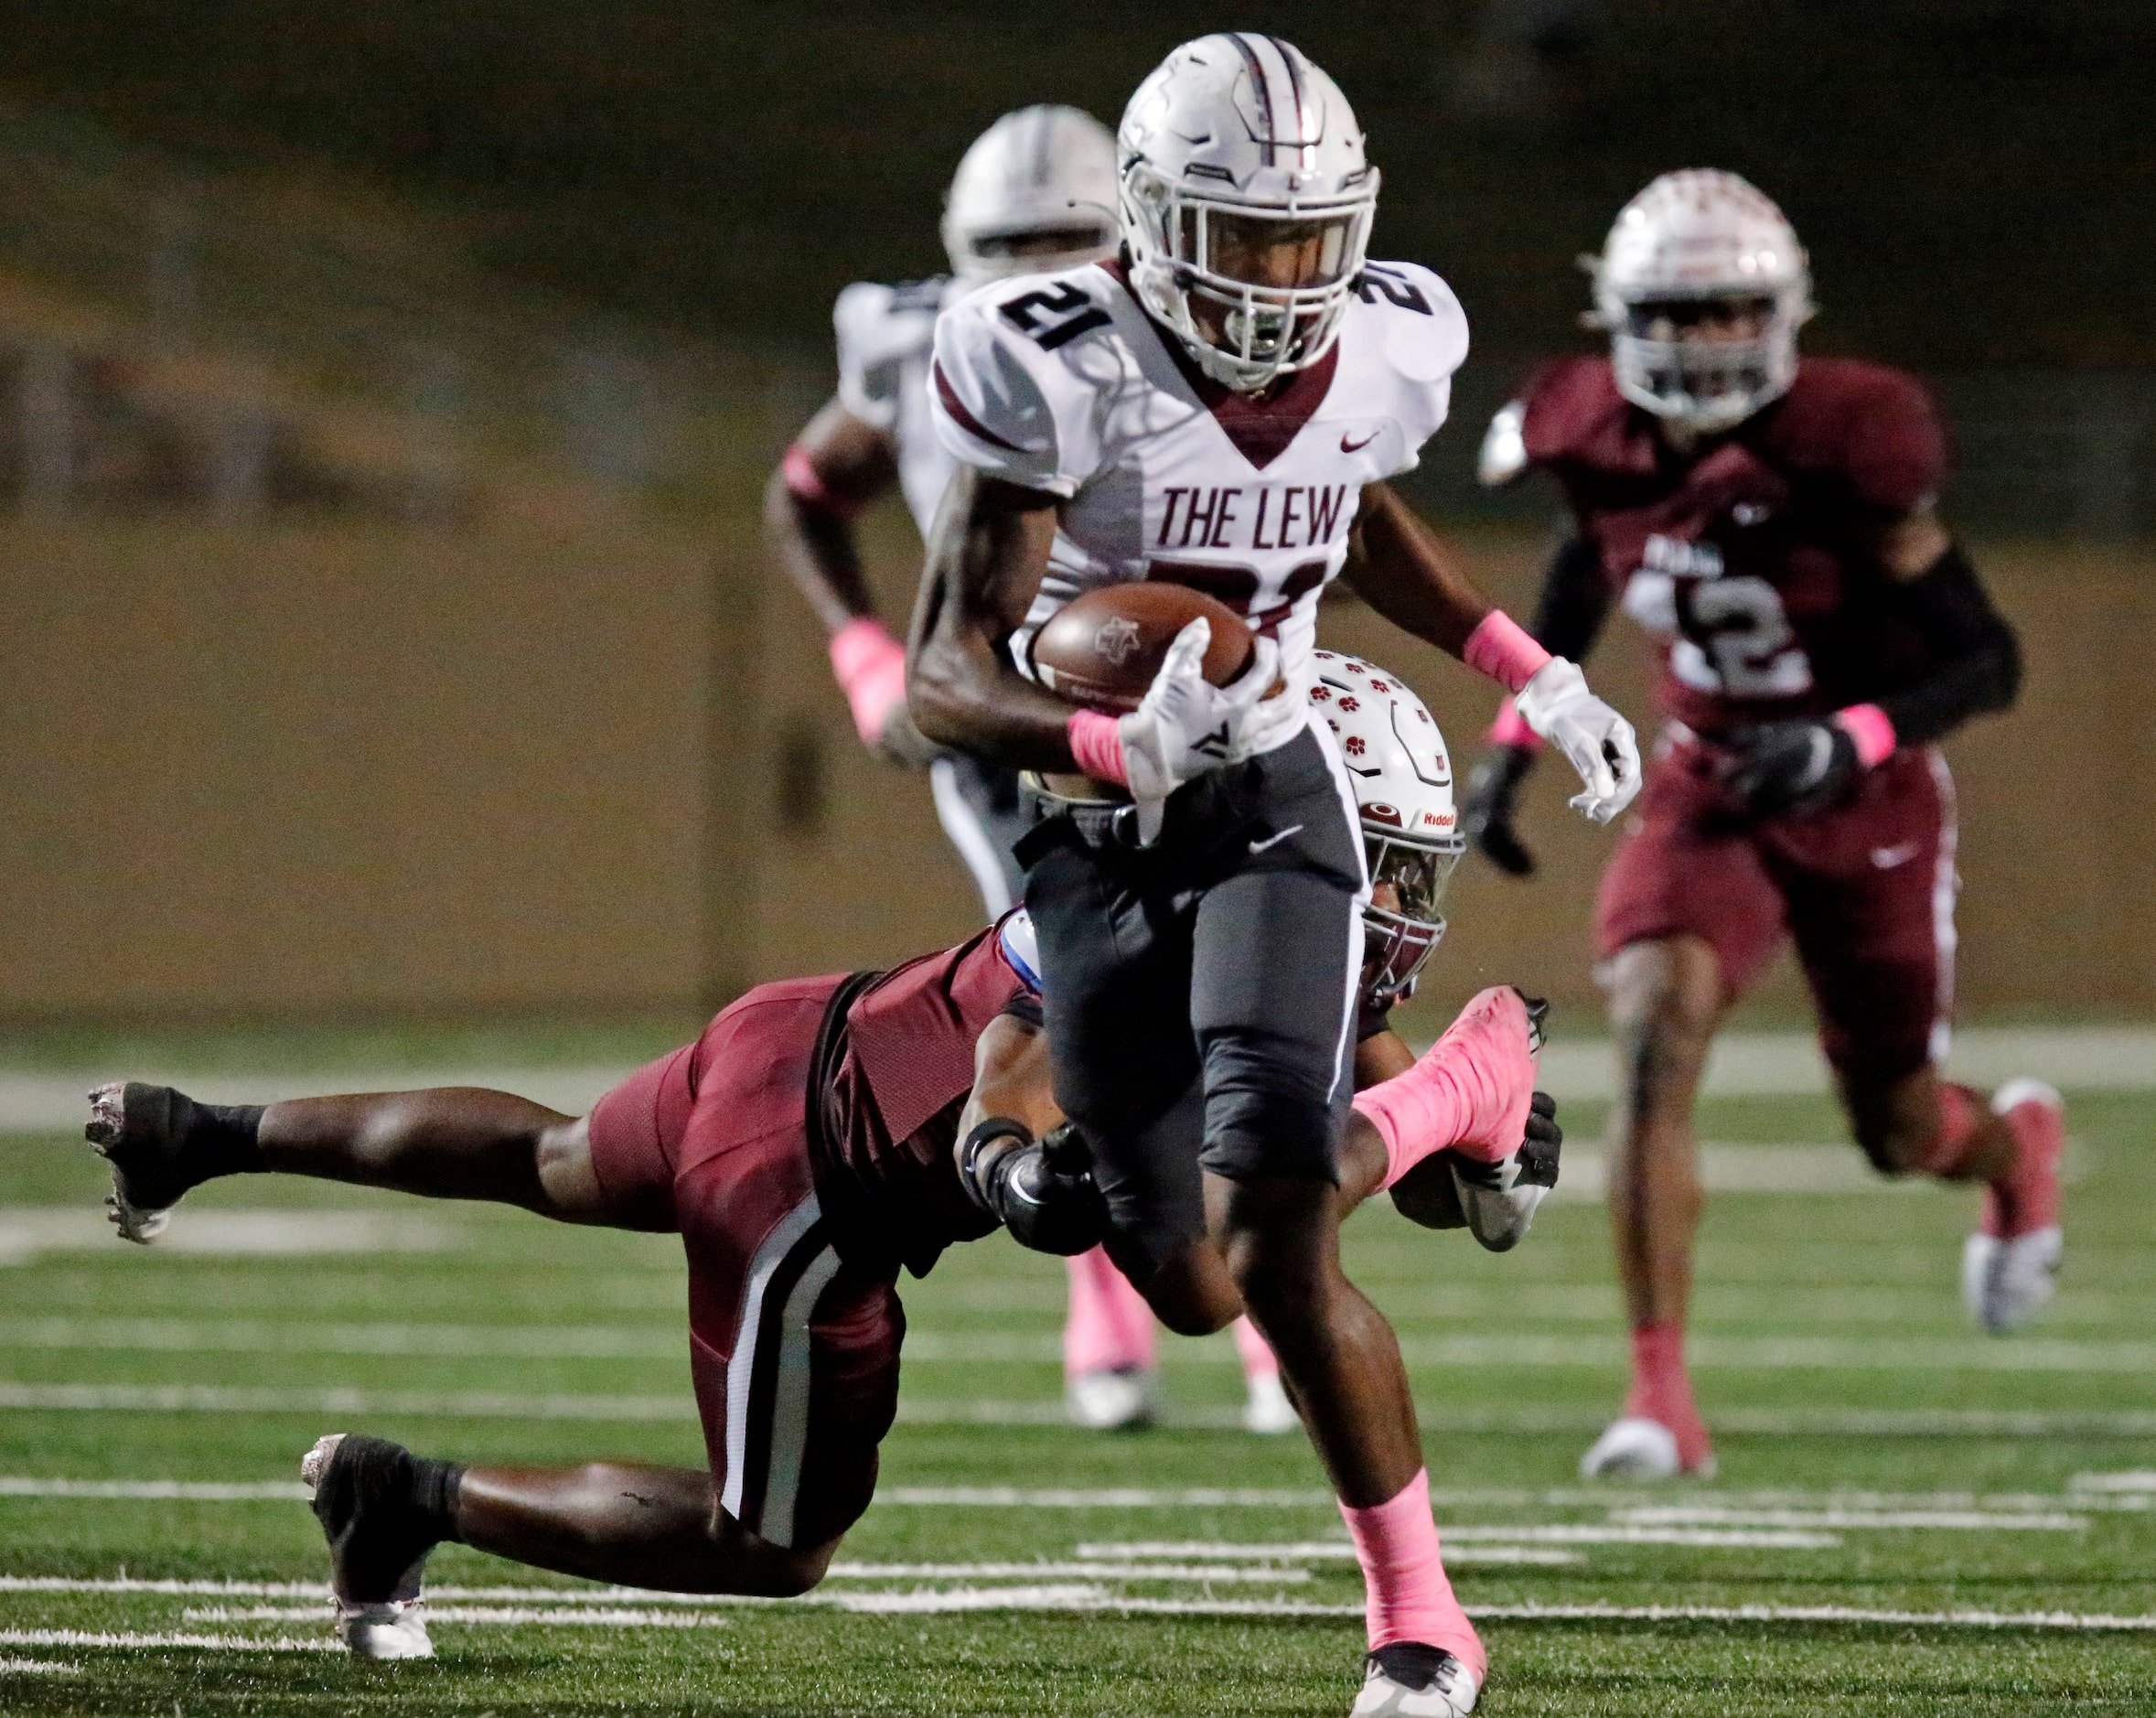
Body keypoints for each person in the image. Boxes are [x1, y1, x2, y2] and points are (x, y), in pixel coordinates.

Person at [81, 660, 1557, 1688]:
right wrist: (1003, 1163)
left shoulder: (1209, 910)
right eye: (1374, 865)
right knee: (770, 1547)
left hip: (804, 1027)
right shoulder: (1145, 933)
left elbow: (1355, 1131)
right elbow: (1096, 1150)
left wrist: (1476, 1136)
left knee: (551, 1157)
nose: (1391, 906)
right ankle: (408, 1500)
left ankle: (202, 1130)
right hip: (811, 1183)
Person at [906, 33, 1639, 1717]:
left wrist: (1529, 666)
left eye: (1311, 242)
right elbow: (947, 677)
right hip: (1094, 817)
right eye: (1243, 241)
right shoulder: (1054, 360)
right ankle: (1462, 1083)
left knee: (1283, 1227)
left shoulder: (1386, 342)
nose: (1281, 281)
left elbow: (1355, 513)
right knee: (1187, 1277)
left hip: (1273, 794)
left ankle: (1421, 1623)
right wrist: (1102, 749)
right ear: (1153, 221)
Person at [1460, 168, 2055, 1483]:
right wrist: (1515, 734)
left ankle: (2015, 1155)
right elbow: (1582, 568)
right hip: (1707, 782)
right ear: (1622, 319)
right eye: (1677, 313)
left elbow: (1985, 658)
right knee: (1651, 1034)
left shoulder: (1851, 436)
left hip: (1865, 789)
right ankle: (1655, 1393)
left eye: (1731, 311)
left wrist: (1848, 735)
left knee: (1898, 1131)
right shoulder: (1584, 430)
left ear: (1779, 315)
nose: (1704, 341)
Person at [764, 102, 1286, 1434]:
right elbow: (806, 491)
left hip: (1176, 704)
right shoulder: (913, 338)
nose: (1040, 265)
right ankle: (1113, 1302)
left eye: (1070, 237)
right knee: (1078, 998)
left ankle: (1257, 1295)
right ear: (957, 246)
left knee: (1234, 991)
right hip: (1011, 731)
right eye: (1012, 241)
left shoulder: (1168, 338)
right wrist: (869, 658)